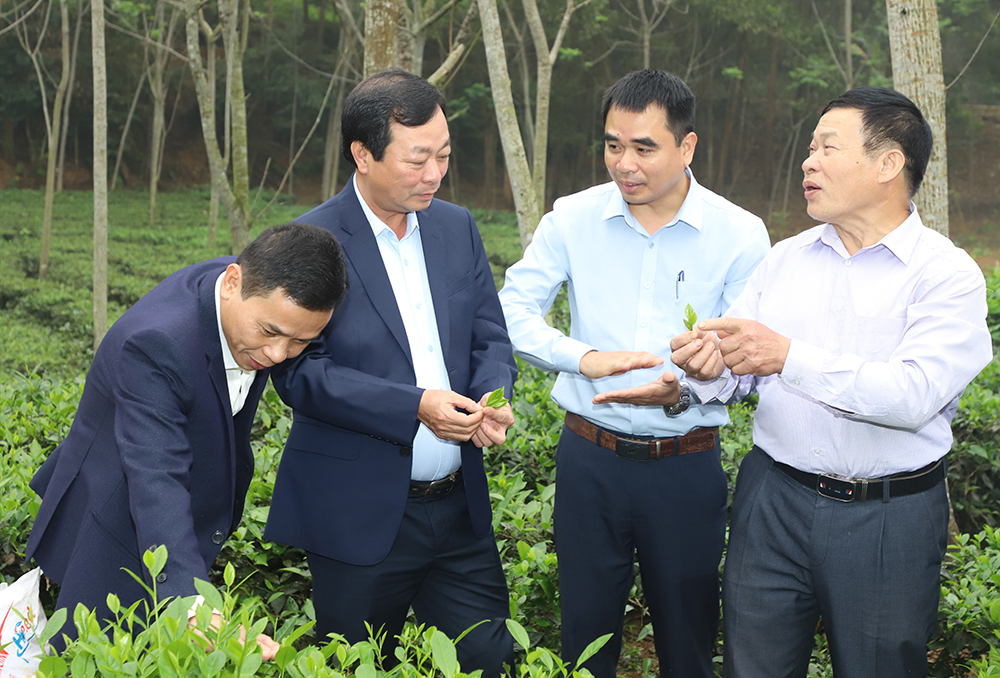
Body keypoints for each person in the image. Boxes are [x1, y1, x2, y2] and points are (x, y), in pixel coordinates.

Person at [671, 86, 993, 678]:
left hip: (886, 517)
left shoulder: (948, 275)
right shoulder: (785, 259)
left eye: (826, 148)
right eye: (809, 148)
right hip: (771, 500)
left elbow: (911, 396)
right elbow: (743, 371)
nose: (807, 161)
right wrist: (704, 372)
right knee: (753, 665)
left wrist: (785, 356)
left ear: (888, 164)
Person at [498, 69, 770, 677]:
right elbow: (512, 310)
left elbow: (750, 359)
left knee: (688, 637)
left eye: (644, 147)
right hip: (588, 459)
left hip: (685, 464)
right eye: (613, 145)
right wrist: (583, 358)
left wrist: (689, 386)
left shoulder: (739, 234)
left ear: (687, 146)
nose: (625, 164)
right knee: (584, 639)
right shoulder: (572, 218)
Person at [264, 69, 518, 675]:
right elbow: (298, 374)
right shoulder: (310, 240)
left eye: (445, 156)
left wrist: (489, 397)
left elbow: (491, 336)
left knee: (487, 657)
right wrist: (415, 405)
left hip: (460, 512)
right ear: (363, 153)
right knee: (354, 664)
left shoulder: (456, 228)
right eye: (418, 158)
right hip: (359, 513)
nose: (435, 173)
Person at [26, 222, 349, 655]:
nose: (277, 355)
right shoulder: (156, 345)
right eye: (271, 333)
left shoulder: (247, 296)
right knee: (96, 655)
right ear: (232, 282)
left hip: (175, 519)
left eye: (299, 343)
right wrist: (189, 604)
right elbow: (155, 477)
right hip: (113, 525)